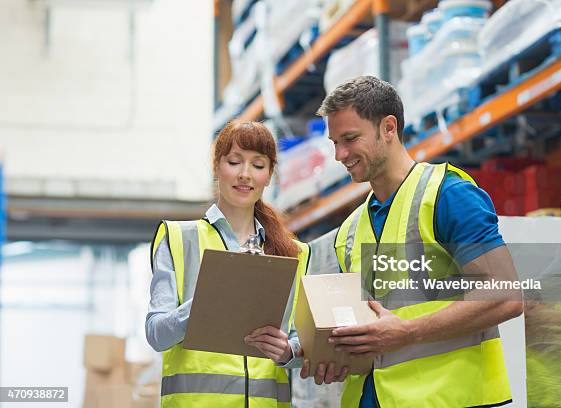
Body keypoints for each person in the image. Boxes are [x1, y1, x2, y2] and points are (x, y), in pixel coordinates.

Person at [304, 75, 524, 407]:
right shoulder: (349, 232)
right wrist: (335, 357)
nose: (340, 154)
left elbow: (507, 296)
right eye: (335, 142)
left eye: (349, 139)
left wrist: (408, 331)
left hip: (450, 399)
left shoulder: (446, 195)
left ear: (389, 128)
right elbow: (371, 329)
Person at [146, 120, 310, 408]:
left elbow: (301, 341)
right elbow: (157, 334)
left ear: (269, 176)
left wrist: (288, 352)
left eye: (258, 166)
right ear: (216, 166)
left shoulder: (293, 253)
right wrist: (203, 304)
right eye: (234, 162)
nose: (245, 175)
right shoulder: (179, 238)